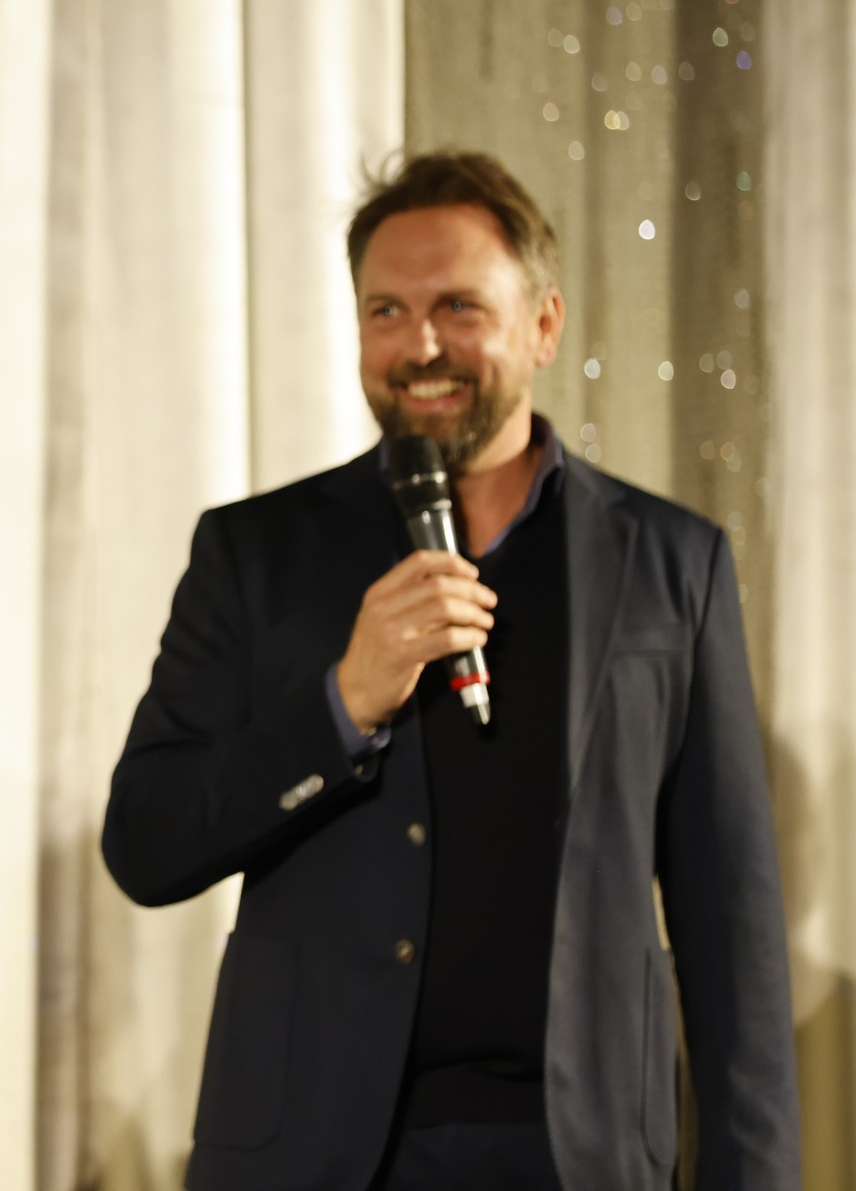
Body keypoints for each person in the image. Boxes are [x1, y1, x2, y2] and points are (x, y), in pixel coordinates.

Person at [101, 152, 798, 1191]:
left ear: (543, 325)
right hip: (318, 1157)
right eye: (385, 311)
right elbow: (146, 843)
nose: (419, 345)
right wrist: (343, 702)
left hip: (580, 1156)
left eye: (457, 307)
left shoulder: (670, 562)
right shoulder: (254, 553)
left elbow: (730, 927)